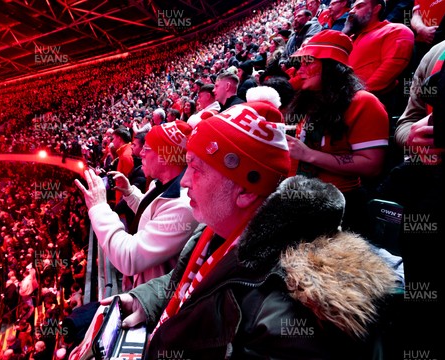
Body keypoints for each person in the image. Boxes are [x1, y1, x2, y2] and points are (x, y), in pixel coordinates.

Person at [94, 101, 397, 359]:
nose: (184, 182)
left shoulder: (286, 309)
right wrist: (147, 299)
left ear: (246, 192)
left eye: (196, 169)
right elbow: (193, 289)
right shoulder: (220, 227)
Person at [284, 30, 388, 236]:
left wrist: (308, 155)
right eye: (300, 63)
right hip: (300, 200)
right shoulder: (310, 99)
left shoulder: (364, 102)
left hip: (341, 207)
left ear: (331, 66)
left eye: (308, 62)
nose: (300, 69)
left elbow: (371, 165)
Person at [76, 121, 199, 290]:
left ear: (165, 156)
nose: (140, 153)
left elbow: (129, 257)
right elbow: (151, 216)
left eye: (147, 149)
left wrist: (99, 207)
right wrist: (129, 192)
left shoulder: (183, 207)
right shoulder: (162, 184)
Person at [343, 0, 414, 113]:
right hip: (339, 103)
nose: (352, 11)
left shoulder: (395, 30)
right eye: (352, 8)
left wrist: (357, 96)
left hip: (367, 106)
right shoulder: (349, 38)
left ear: (376, 9)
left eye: (359, 6)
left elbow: (390, 67)